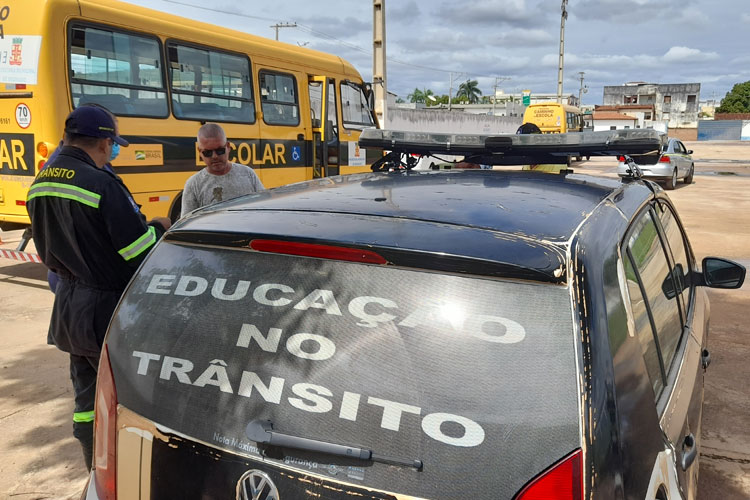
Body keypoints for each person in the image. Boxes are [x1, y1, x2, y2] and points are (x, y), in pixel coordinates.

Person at [26, 105, 170, 470]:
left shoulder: (39, 183)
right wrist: (158, 226)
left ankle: (94, 472)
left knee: (86, 401)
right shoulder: (101, 183)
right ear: (105, 143)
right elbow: (137, 252)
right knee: (130, 399)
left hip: (69, 309)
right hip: (107, 313)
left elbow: (46, 252)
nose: (113, 150)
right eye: (113, 144)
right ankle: (131, 477)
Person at [181, 123, 264, 215]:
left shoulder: (248, 174)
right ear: (200, 152)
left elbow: (264, 208)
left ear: (228, 147)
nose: (215, 156)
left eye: (220, 150)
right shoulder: (193, 185)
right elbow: (187, 224)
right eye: (207, 152)